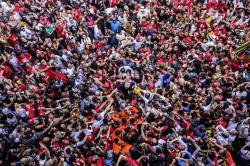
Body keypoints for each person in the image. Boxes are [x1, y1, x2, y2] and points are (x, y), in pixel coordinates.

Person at [0, 0, 249, 165]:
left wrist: (129, 98)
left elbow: (140, 95)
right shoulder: (127, 96)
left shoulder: (137, 94)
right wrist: (114, 100)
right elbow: (125, 97)